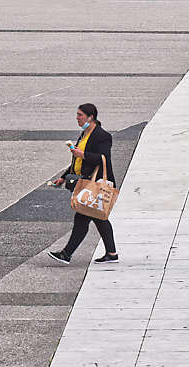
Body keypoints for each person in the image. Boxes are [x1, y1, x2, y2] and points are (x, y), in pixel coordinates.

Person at [48, 103, 119, 264]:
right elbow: (77, 160)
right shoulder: (84, 134)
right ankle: (112, 253)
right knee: (99, 218)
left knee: (84, 218)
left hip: (96, 182)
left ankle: (66, 254)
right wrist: (64, 177)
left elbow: (103, 158)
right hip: (85, 181)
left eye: (80, 115)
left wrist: (83, 154)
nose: (77, 117)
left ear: (90, 117)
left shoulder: (102, 136)